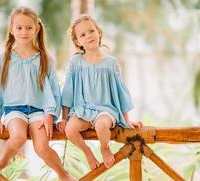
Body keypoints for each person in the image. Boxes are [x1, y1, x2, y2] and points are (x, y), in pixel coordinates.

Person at [0, 6, 80, 181]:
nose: (24, 32)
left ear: (36, 29)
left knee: (42, 147)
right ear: (11, 29)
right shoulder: (4, 58)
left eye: (29, 28)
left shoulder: (44, 58)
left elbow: (54, 90)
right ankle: (1, 163)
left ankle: (63, 174)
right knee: (18, 137)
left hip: (39, 112)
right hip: (14, 110)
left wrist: (50, 114)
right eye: (19, 28)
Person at [57, 15, 143, 169]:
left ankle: (105, 147)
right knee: (70, 130)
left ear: (99, 33)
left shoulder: (111, 63)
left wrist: (126, 120)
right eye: (83, 35)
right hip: (83, 110)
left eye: (91, 31)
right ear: (77, 41)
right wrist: (64, 118)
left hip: (105, 111)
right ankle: (87, 152)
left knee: (102, 126)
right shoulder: (75, 63)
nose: (88, 35)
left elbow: (120, 93)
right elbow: (68, 92)